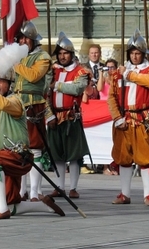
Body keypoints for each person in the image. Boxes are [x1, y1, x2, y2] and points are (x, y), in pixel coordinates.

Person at [0, 69, 65, 220]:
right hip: (5, 159)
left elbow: (4, 104)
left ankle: (1, 209)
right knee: (9, 203)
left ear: (10, 85)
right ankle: (42, 206)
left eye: (1, 81)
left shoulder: (15, 101)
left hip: (16, 156)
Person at [108, 31, 149, 206]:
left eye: (138, 53)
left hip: (142, 118)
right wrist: (117, 117)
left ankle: (148, 195)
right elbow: (112, 97)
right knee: (123, 158)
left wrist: (129, 75)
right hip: (124, 119)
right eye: (132, 53)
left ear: (143, 54)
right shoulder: (118, 72)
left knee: (145, 157)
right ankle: (125, 194)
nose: (135, 56)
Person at [10, 20, 52, 200]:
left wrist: (15, 64)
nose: (23, 42)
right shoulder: (19, 57)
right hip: (17, 103)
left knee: (35, 149)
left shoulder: (43, 57)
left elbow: (33, 76)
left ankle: (34, 192)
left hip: (34, 104)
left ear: (33, 40)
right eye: (20, 39)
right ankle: (21, 191)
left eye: (26, 39)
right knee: (19, 148)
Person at [47, 33, 90, 199]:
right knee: (57, 154)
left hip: (71, 117)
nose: (62, 56)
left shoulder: (81, 71)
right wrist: (48, 115)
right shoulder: (52, 71)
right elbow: (45, 91)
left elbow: (78, 89)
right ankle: (59, 186)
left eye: (65, 53)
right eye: (59, 53)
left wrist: (58, 85)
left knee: (73, 155)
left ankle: (73, 187)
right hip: (55, 116)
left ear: (71, 54)